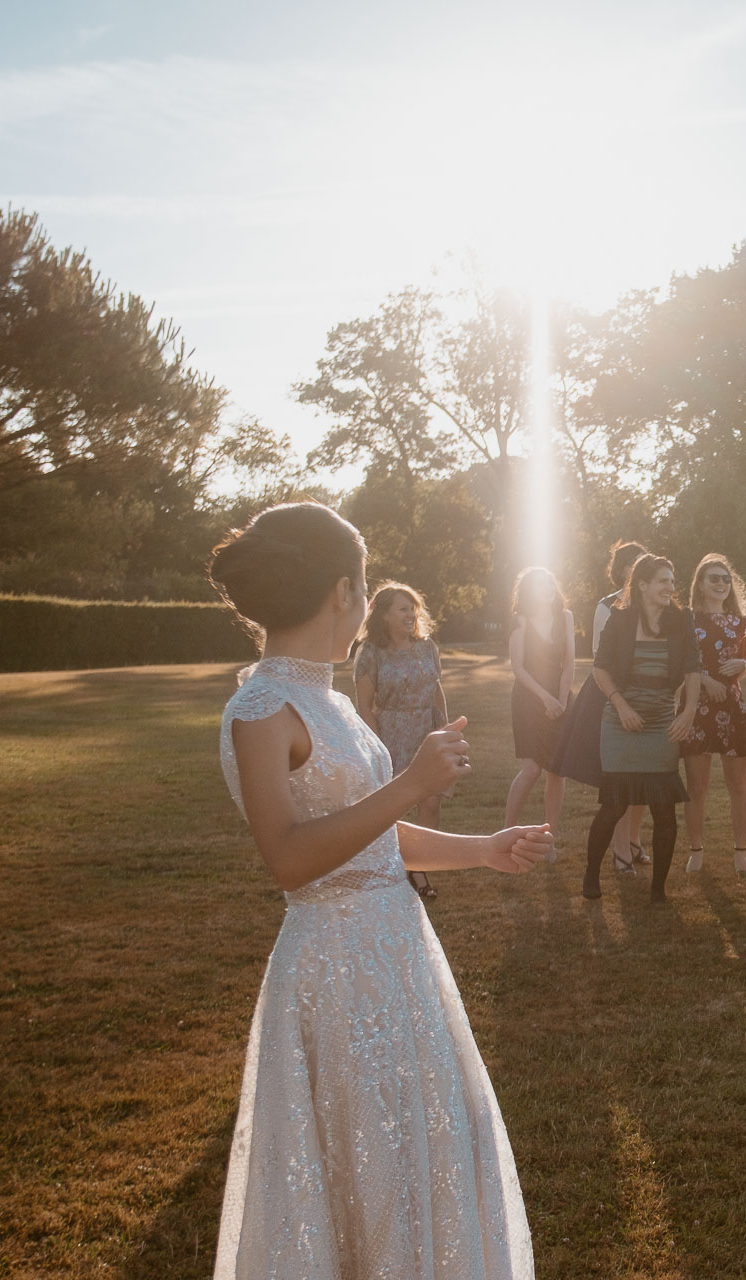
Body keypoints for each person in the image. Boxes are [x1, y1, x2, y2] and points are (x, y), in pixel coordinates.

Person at [210, 501, 547, 1277]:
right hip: (332, 966)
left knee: (424, 1141)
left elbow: (371, 835)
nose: (364, 605)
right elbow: (291, 861)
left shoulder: (329, 701)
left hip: (399, 952)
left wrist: (486, 850)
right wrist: (413, 783)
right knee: (363, 1160)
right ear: (343, 592)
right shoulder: (260, 709)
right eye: (363, 588)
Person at [583, 555, 702, 904]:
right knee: (614, 806)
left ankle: (658, 889)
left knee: (664, 809)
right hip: (622, 719)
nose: (671, 587)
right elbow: (599, 669)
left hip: (663, 720)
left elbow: (693, 667)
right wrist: (621, 705)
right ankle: (591, 876)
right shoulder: (621, 618)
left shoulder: (681, 619)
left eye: (672, 580)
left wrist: (689, 710)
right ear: (643, 585)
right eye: (663, 580)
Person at [551, 540, 649, 869]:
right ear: (622, 570)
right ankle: (620, 852)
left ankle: (634, 840)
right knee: (620, 777)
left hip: (651, 696)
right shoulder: (607, 606)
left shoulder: (661, 605)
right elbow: (600, 657)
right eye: (635, 564)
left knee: (646, 775)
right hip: (612, 695)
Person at [354, 583, 452, 900]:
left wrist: (445, 728)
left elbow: (436, 690)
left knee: (432, 801)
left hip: (427, 729)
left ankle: (420, 868)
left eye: (413, 608)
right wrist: (377, 745)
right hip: (390, 732)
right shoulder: (370, 653)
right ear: (383, 615)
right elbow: (364, 706)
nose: (411, 614)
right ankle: (387, 865)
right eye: (402, 608)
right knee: (391, 807)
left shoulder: (427, 647)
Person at [681, 554, 746, 876]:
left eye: (725, 579)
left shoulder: (740, 622)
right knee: (696, 785)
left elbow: (743, 664)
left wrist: (743, 666)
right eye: (713, 578)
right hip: (696, 705)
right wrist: (706, 680)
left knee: (737, 784)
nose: (721, 584)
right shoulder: (687, 620)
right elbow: (679, 663)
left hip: (730, 703)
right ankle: (696, 850)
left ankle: (741, 852)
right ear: (700, 583)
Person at [505, 567, 575, 838]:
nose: (546, 589)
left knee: (557, 771)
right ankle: (507, 831)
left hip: (560, 696)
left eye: (549, 583)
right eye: (539, 585)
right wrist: (546, 699)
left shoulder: (565, 617)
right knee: (532, 768)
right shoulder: (520, 621)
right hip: (529, 699)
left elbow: (569, 663)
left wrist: (561, 699)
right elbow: (518, 669)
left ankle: (549, 838)